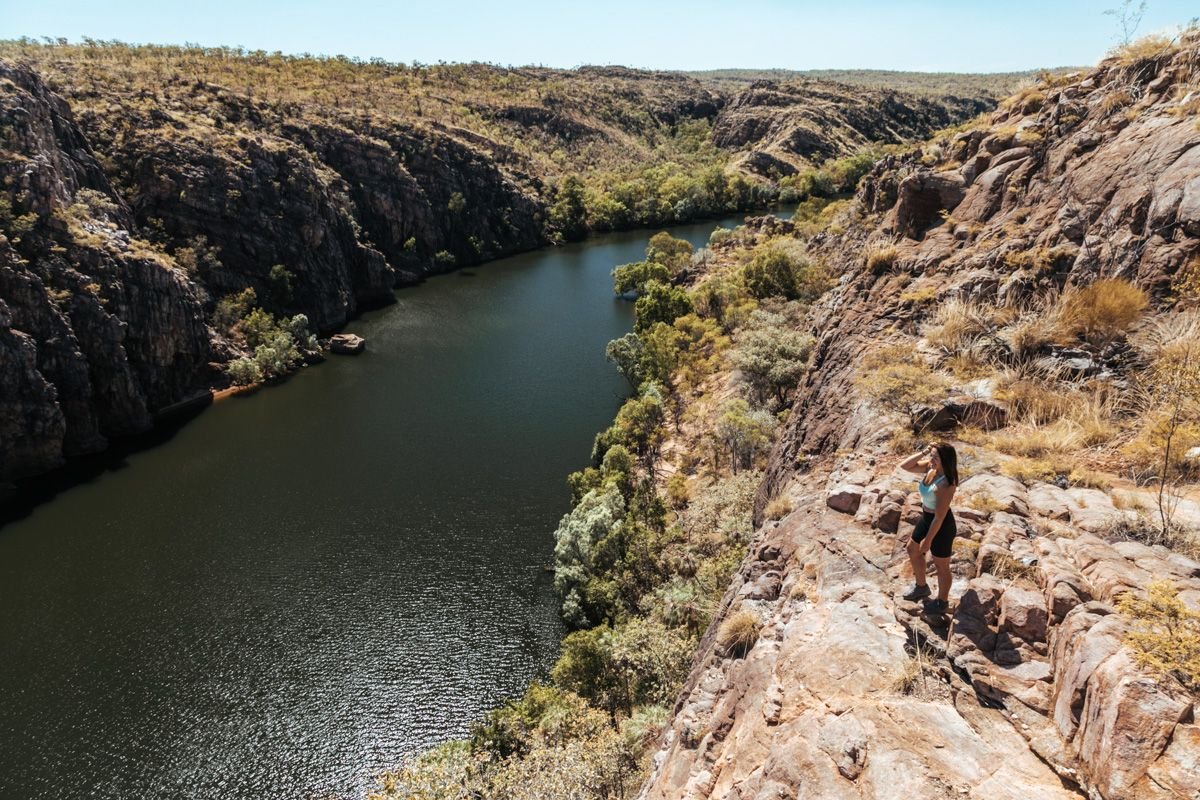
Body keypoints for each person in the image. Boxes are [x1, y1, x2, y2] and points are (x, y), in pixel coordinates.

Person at [898, 443, 959, 615]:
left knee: (941, 566)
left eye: (936, 457)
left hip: (942, 525)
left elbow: (940, 517)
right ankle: (921, 587)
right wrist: (924, 451)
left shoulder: (946, 483)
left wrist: (928, 540)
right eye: (931, 455)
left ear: (945, 460)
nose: (931, 460)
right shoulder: (930, 468)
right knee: (912, 548)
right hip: (927, 517)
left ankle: (942, 602)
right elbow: (905, 466)